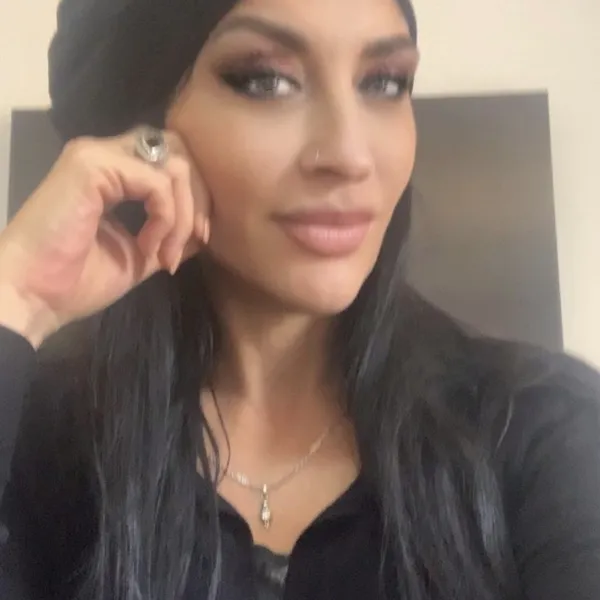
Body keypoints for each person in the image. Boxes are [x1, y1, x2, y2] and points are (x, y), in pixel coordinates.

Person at [0, 0, 599, 599]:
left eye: (384, 82)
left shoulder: (543, 431)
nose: (349, 156)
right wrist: (16, 294)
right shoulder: (35, 434)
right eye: (266, 80)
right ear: (142, 129)